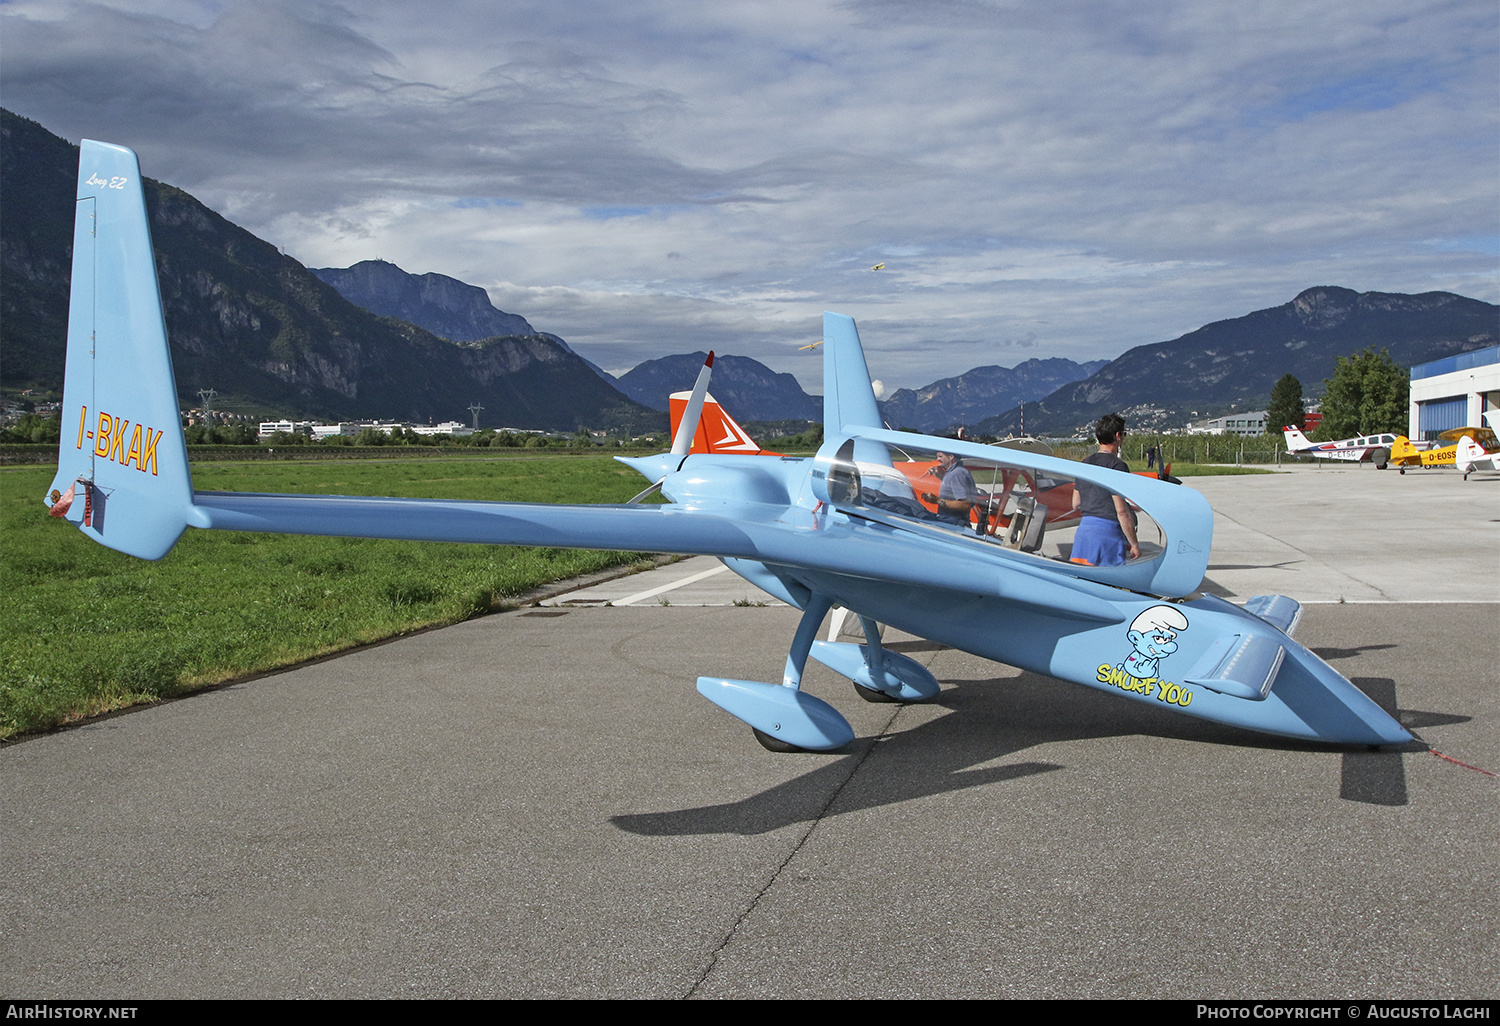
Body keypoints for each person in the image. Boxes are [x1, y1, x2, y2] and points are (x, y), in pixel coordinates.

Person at [1069, 413, 1140, 566]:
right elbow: (1122, 512)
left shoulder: (1085, 463)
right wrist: (1134, 543)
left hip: (1083, 534)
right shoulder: (1117, 466)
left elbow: (1075, 503)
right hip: (1107, 535)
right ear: (1118, 436)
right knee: (1108, 583)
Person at [920, 450, 978, 527]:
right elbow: (951, 489)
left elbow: (965, 504)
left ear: (951, 457)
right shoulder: (955, 472)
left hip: (954, 524)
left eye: (940, 456)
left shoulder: (957, 474)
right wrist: (939, 475)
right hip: (951, 522)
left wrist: (937, 500)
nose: (937, 459)